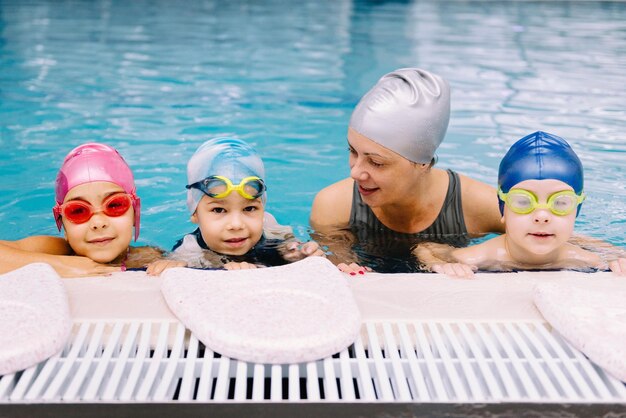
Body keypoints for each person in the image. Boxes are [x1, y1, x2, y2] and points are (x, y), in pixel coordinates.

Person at [310, 68, 504, 274]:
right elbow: (336, 269)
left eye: (376, 162)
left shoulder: (476, 204)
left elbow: (538, 244)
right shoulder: (333, 206)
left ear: (422, 163)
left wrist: (459, 255)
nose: (356, 173)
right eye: (353, 151)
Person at [415, 131, 626, 278]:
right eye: (523, 202)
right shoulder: (481, 256)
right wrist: (441, 264)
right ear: (503, 208)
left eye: (560, 203)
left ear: (576, 210)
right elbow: (426, 247)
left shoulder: (587, 260)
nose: (542, 215)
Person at [147, 137, 324, 274]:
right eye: (218, 210)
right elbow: (179, 270)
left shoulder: (270, 226)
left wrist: (301, 255)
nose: (237, 224)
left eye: (249, 208)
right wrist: (172, 265)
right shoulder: (190, 250)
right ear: (195, 213)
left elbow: (292, 248)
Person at [0, 143, 163, 277]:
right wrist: (60, 265)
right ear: (63, 224)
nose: (98, 223)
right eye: (78, 211)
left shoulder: (149, 256)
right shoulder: (57, 251)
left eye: (114, 205)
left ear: (134, 213)